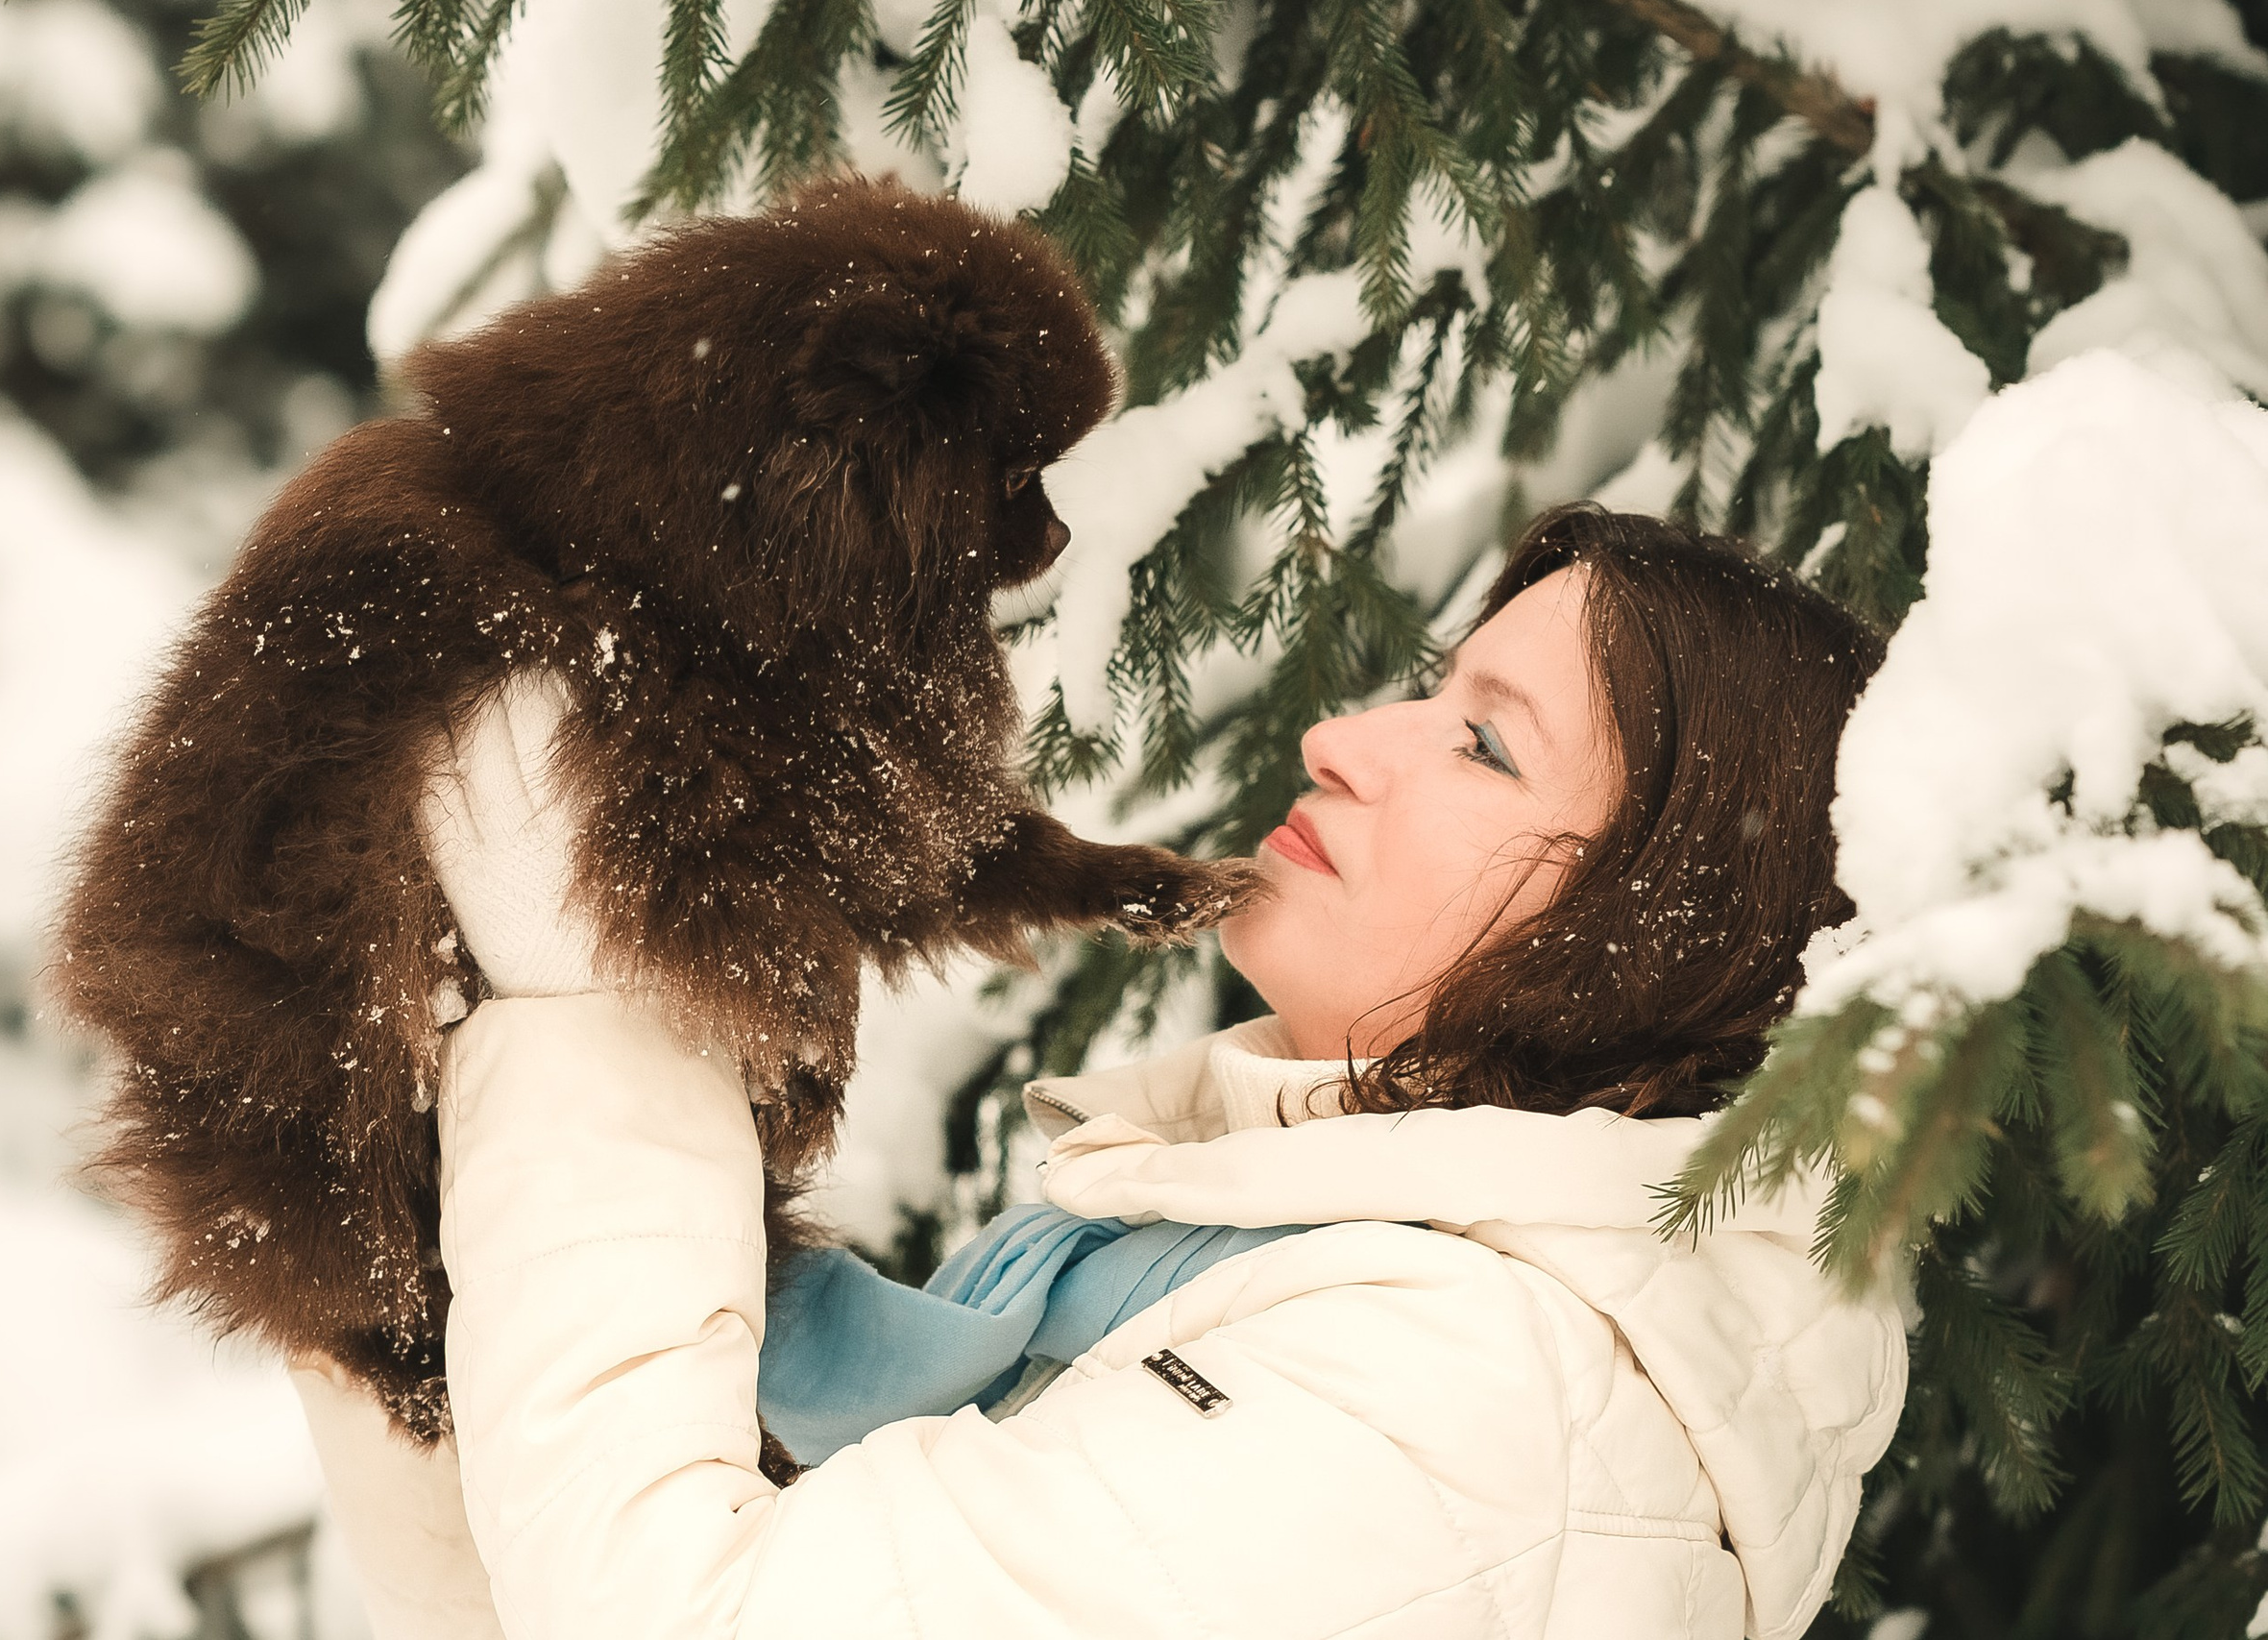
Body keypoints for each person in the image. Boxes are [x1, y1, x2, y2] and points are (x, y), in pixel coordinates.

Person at [293, 503, 1909, 1640]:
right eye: (1431, 691)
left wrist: (599, 1000)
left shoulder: (1473, 1407)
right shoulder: (1286, 1297)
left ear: (1666, 927)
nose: (1345, 736)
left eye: (1485, 743)